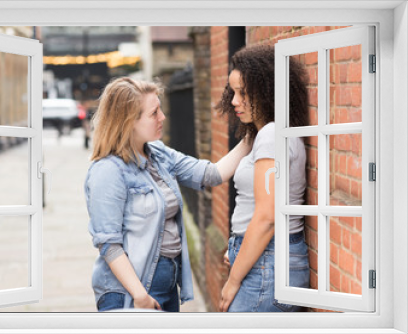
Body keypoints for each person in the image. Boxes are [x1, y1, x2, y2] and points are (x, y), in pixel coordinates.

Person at [85, 77, 252, 312]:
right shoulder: (108, 171)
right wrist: (140, 296)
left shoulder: (159, 154)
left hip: (166, 284)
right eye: (154, 113)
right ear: (129, 121)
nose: (163, 117)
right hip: (129, 292)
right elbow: (109, 244)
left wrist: (254, 133)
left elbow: (212, 174)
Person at [216, 45, 310, 312]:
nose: (234, 101)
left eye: (243, 93)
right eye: (233, 92)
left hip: (268, 262)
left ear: (268, 91)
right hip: (266, 258)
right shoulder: (268, 135)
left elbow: (267, 216)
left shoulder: (271, 134)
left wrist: (233, 281)